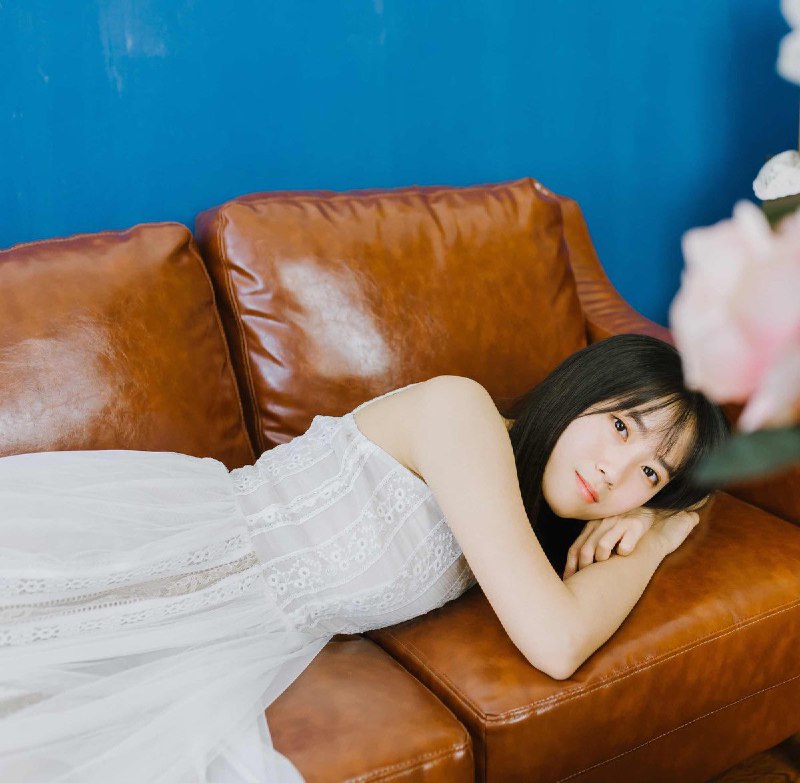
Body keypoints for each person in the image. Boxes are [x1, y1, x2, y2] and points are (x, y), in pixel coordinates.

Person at [0, 333, 729, 782]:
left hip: (235, 632)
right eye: (622, 426)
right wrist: (658, 539)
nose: (615, 471)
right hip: (168, 559)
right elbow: (558, 640)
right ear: (580, 391)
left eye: (651, 472)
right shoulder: (461, 413)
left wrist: (659, 513)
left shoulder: (523, 518)